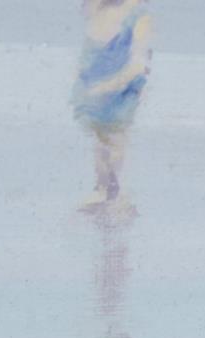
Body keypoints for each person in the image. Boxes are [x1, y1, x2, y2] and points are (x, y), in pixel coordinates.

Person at [73, 0, 153, 214]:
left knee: (116, 139)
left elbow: (138, 63)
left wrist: (111, 85)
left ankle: (115, 191)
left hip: (123, 87)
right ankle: (101, 189)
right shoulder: (100, 10)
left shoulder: (139, 17)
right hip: (96, 83)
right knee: (101, 140)